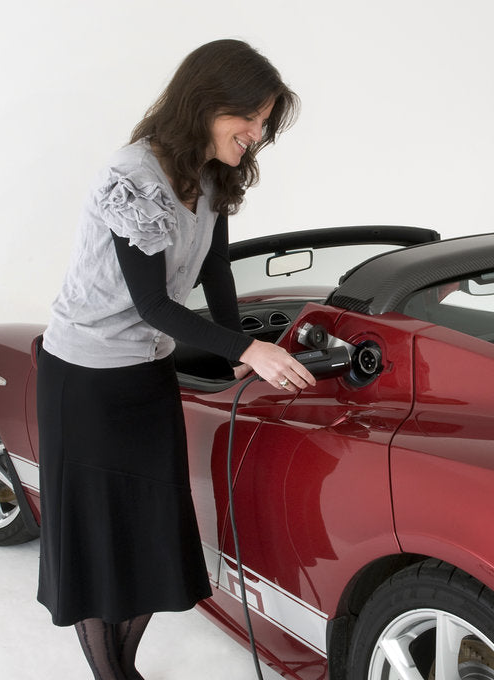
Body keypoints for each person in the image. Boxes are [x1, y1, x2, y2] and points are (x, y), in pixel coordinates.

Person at [36, 39, 315, 680]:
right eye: (251, 118)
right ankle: (113, 675)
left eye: (264, 122)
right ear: (207, 103)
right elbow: (154, 304)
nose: (258, 134)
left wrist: (236, 349)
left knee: (152, 532)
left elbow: (216, 268)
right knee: (101, 542)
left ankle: (125, 666)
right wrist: (249, 350)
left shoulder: (212, 174)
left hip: (145, 370)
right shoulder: (133, 178)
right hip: (84, 379)